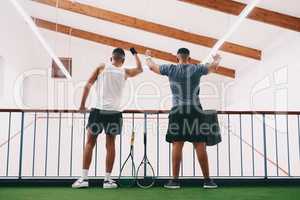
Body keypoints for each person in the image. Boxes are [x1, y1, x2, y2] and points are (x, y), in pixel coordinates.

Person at [145, 48, 221, 189]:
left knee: (177, 145)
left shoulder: (171, 69)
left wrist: (148, 56)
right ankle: (208, 181)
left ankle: (174, 181)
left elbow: (151, 67)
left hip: (177, 111)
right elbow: (214, 67)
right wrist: (217, 58)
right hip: (195, 110)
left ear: (177, 58)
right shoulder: (197, 68)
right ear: (189, 58)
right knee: (199, 145)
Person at [72, 47, 143, 189]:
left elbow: (87, 86)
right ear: (122, 60)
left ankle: (84, 179)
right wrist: (135, 54)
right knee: (110, 145)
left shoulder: (102, 66)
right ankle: (107, 181)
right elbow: (140, 69)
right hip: (114, 113)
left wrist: (81, 105)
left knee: (90, 143)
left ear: (111, 58)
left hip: (98, 110)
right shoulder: (125, 71)